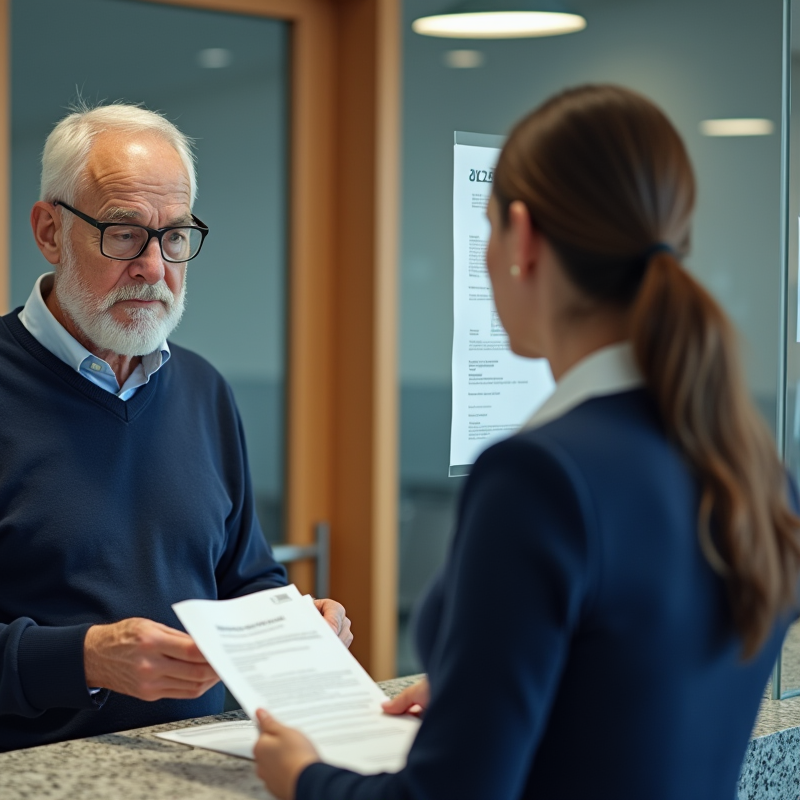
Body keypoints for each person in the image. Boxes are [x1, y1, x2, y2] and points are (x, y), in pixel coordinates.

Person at [253, 84, 800, 800]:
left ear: (523, 236)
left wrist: (304, 776)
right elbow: (641, 688)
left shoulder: (540, 476)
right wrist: (482, 692)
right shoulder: (752, 464)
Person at [0, 103, 353, 766]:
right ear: (50, 231)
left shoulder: (204, 391)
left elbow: (244, 576)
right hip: (15, 775)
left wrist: (295, 624)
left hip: (195, 765)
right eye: (123, 234)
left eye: (174, 237)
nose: (153, 267)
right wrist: (85, 659)